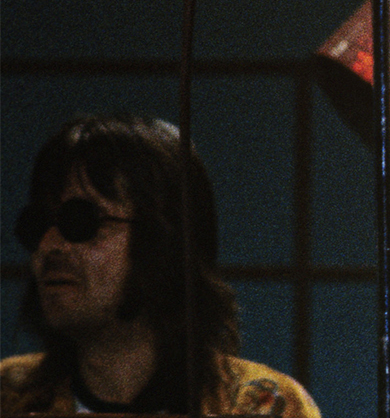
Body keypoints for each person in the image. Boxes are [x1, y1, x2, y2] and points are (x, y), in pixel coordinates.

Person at [3, 113, 320, 417]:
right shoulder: (8, 399)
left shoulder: (264, 406)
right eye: (38, 224)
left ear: (163, 241)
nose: (49, 245)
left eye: (80, 222)